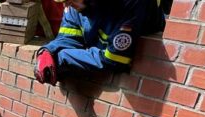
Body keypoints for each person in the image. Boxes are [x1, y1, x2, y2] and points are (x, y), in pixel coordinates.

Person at [35, 0, 166, 85]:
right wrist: (48, 51)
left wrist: (61, 58)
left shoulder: (131, 4)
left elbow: (113, 59)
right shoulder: (74, 8)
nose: (66, 5)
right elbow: (68, 37)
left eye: (70, 0)